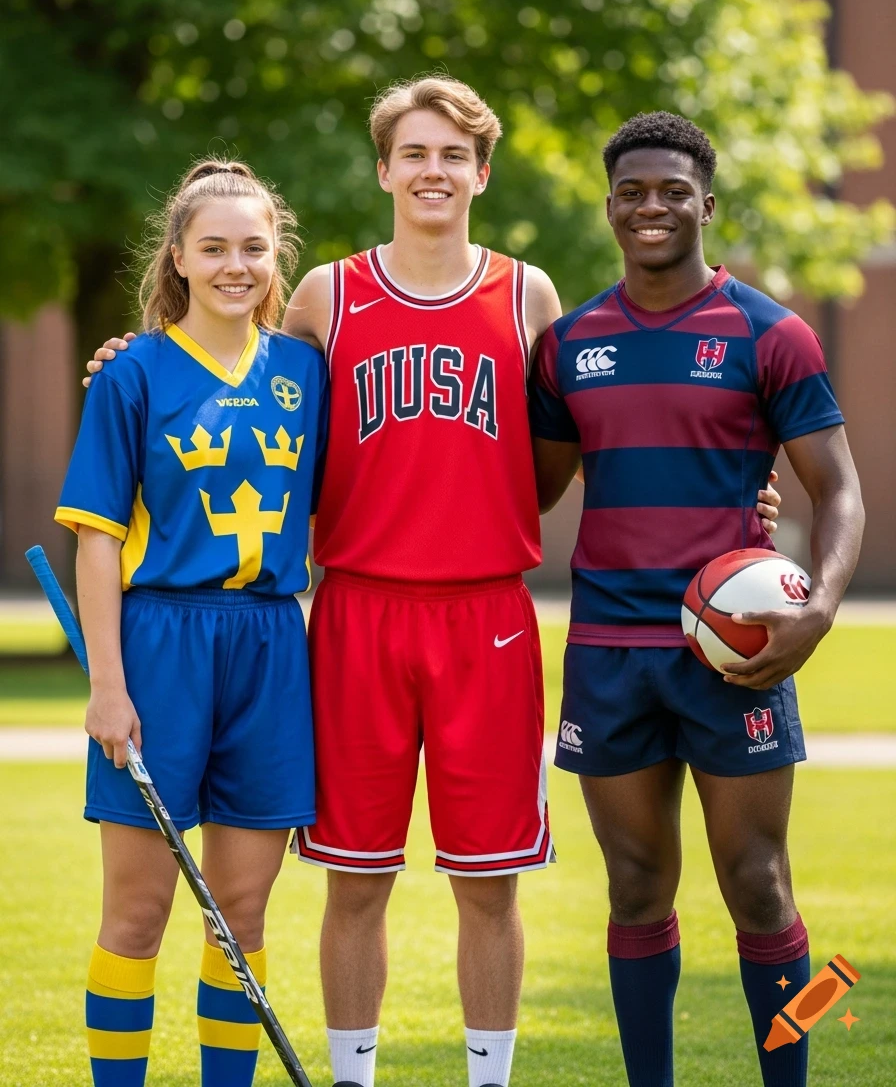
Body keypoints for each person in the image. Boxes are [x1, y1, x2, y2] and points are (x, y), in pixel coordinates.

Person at [83, 80, 780, 1087]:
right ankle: (355, 1076)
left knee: (487, 881)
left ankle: (485, 1078)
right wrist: (131, 353)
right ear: (382, 169)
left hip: (486, 611)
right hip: (357, 607)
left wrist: (737, 514)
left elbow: (600, 441)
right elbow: (233, 379)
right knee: (352, 881)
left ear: (481, 171)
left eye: (452, 155)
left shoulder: (528, 295)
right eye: (413, 153)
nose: (432, 171)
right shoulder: (325, 293)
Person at [530, 111, 865, 1087]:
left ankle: (787, 1077)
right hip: (607, 647)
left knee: (756, 884)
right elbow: (531, 489)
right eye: (632, 191)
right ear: (607, 207)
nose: (650, 206)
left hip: (735, 649)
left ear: (705, 205)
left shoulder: (771, 333)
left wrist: (818, 608)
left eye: (671, 190)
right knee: (634, 886)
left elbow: (836, 487)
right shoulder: (568, 345)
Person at [58, 160, 327, 1087]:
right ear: (178, 257)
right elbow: (95, 542)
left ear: (276, 257)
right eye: (213, 248)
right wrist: (106, 684)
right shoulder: (131, 374)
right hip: (160, 645)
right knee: (138, 913)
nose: (234, 266)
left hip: (269, 646)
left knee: (240, 915)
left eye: (253, 248)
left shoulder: (306, 371)